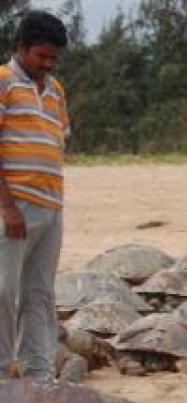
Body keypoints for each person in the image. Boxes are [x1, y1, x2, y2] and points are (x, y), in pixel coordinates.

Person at [0, 11, 70, 381]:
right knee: (3, 293)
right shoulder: (3, 82)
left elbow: (56, 142)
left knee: (39, 294)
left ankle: (39, 376)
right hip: (13, 208)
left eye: (53, 58)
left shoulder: (56, 91)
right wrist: (8, 206)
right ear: (20, 48)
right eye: (41, 56)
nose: (47, 64)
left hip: (50, 208)